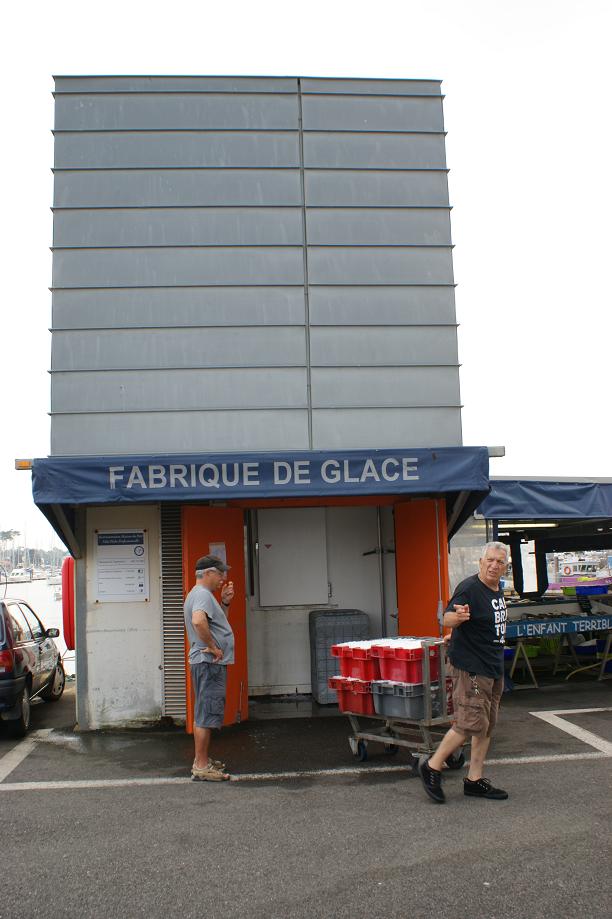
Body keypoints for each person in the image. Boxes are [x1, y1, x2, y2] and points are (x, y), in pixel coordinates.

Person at [419, 541, 509, 803]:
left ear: (505, 566)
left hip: (493, 667)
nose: (494, 565)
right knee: (469, 722)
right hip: (473, 668)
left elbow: (482, 625)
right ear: (480, 562)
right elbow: (447, 617)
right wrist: (455, 621)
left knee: (486, 726)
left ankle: (474, 780)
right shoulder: (469, 588)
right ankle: (432, 766)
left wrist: (456, 634)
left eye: (499, 562)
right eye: (490, 560)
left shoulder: (496, 589)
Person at [184, 554, 235, 781]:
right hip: (208, 662)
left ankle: (201, 760)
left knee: (204, 711)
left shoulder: (201, 595)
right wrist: (213, 647)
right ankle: (202, 765)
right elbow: (198, 621)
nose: (223, 578)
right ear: (207, 573)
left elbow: (215, 624)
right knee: (206, 713)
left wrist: (224, 602)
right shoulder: (203, 594)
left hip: (204, 662)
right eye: (220, 573)